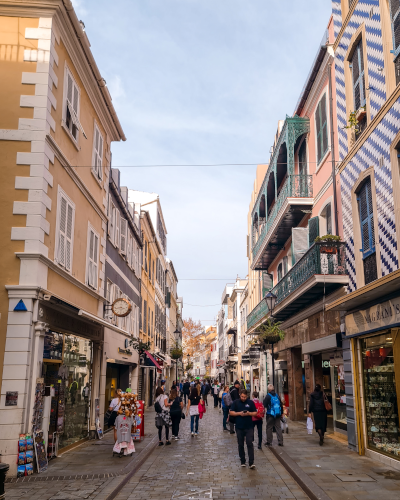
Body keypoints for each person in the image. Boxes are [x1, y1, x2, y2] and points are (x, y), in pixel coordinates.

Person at [230, 389, 257, 469]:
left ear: (247, 396)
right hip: (239, 427)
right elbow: (231, 412)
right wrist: (239, 413)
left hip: (249, 427)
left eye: (245, 397)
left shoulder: (250, 403)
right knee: (240, 444)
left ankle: (251, 462)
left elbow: (255, 413)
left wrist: (249, 413)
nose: (243, 398)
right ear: (240, 395)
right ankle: (242, 461)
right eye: (242, 396)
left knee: (249, 443)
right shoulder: (236, 402)